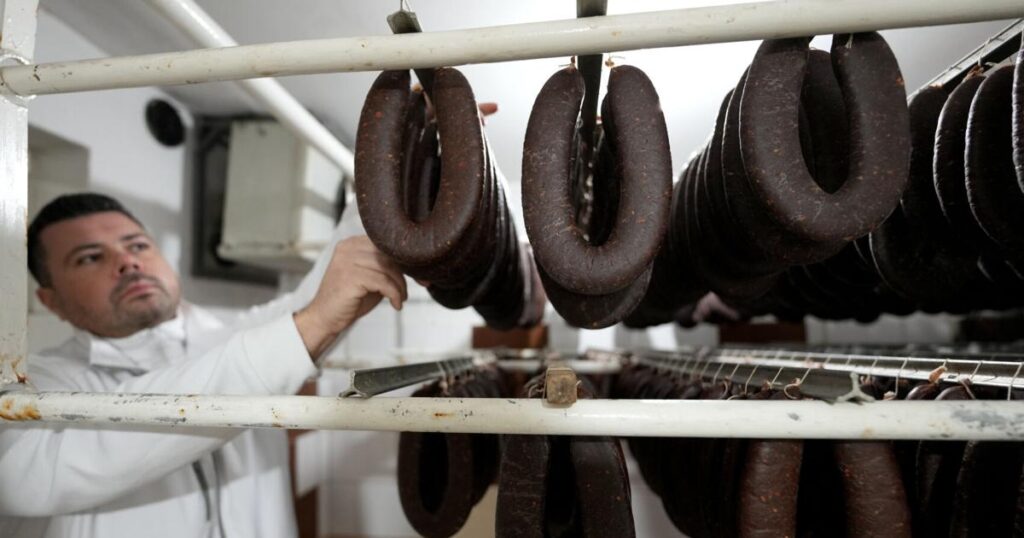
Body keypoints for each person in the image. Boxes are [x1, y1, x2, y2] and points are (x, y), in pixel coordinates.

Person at [0, 193, 408, 537]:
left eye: (137, 245)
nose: (126, 263)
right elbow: (19, 479)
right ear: (49, 300)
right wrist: (314, 321)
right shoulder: (36, 385)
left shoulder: (227, 339)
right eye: (90, 257)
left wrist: (397, 161)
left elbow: (324, 292)